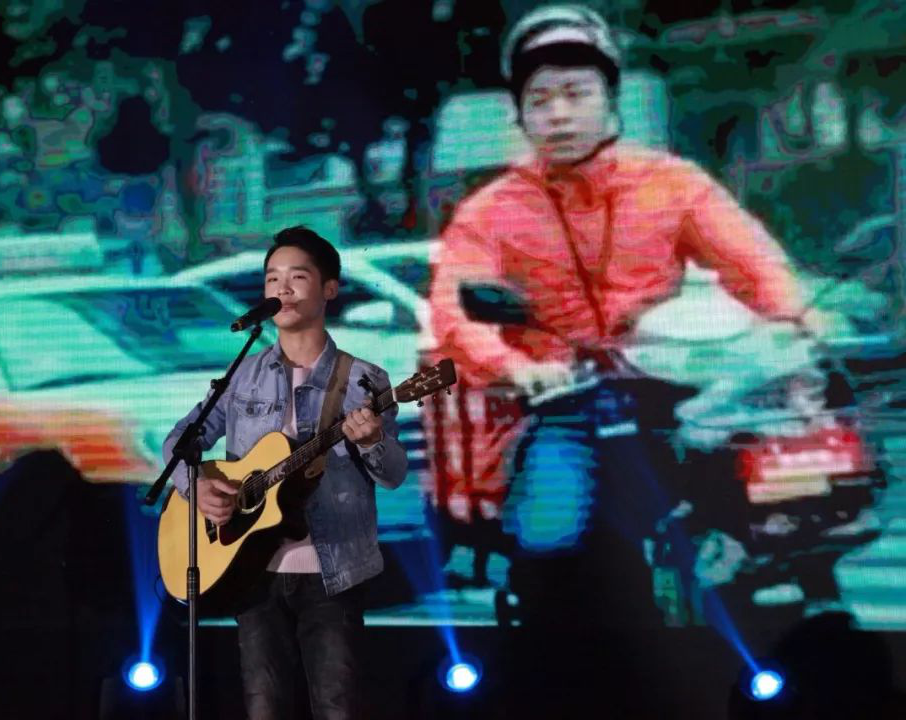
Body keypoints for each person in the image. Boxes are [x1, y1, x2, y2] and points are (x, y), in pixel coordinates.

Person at [425, 4, 824, 609]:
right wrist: (516, 366)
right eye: (540, 100)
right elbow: (454, 307)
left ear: (610, 99)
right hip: (569, 399)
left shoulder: (672, 182)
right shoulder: (489, 212)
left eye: (576, 94)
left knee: (783, 502)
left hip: (681, 389)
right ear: (520, 114)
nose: (559, 114)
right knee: (548, 535)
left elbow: (751, 261)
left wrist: (797, 318)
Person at [163, 226, 408, 720]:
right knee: (264, 709)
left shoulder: (364, 379)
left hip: (334, 571)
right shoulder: (242, 375)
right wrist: (198, 485)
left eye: (298, 277)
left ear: (329, 288)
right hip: (251, 570)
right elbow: (180, 443)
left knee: (339, 708)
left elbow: (394, 474)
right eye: (273, 279)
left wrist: (371, 441)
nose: (283, 289)